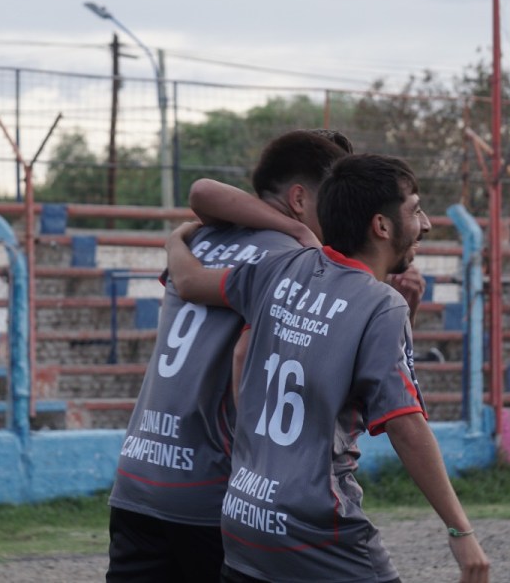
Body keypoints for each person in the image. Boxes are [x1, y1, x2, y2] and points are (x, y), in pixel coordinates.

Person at [166, 153, 490, 583]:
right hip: (315, 526)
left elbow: (192, 284)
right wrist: (461, 530)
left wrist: (175, 242)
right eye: (415, 210)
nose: (426, 224)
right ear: (381, 226)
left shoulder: (282, 267)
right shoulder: (382, 304)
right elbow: (405, 424)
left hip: (246, 515)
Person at [105, 129, 353, 582]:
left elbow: (202, 193)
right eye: (332, 200)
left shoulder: (202, 239)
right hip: (210, 487)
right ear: (300, 198)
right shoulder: (291, 261)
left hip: (139, 475)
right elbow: (245, 357)